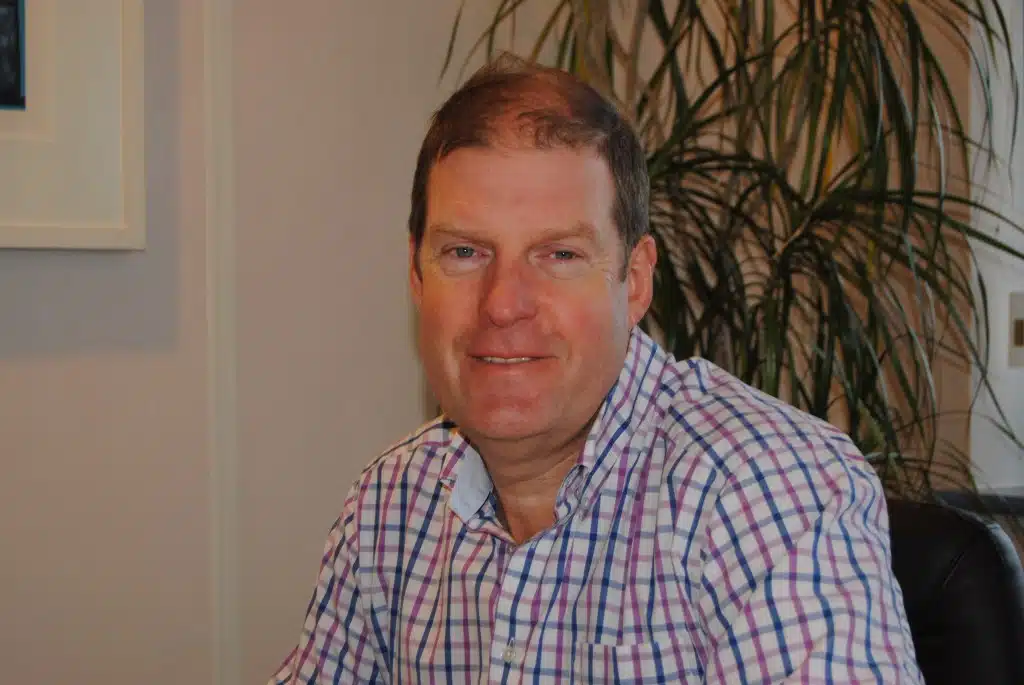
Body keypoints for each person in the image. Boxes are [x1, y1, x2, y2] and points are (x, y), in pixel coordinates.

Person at [270, 55, 924, 684]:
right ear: (417, 274)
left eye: (559, 254)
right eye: (465, 252)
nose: (503, 304)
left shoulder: (763, 492)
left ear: (634, 281)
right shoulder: (389, 504)